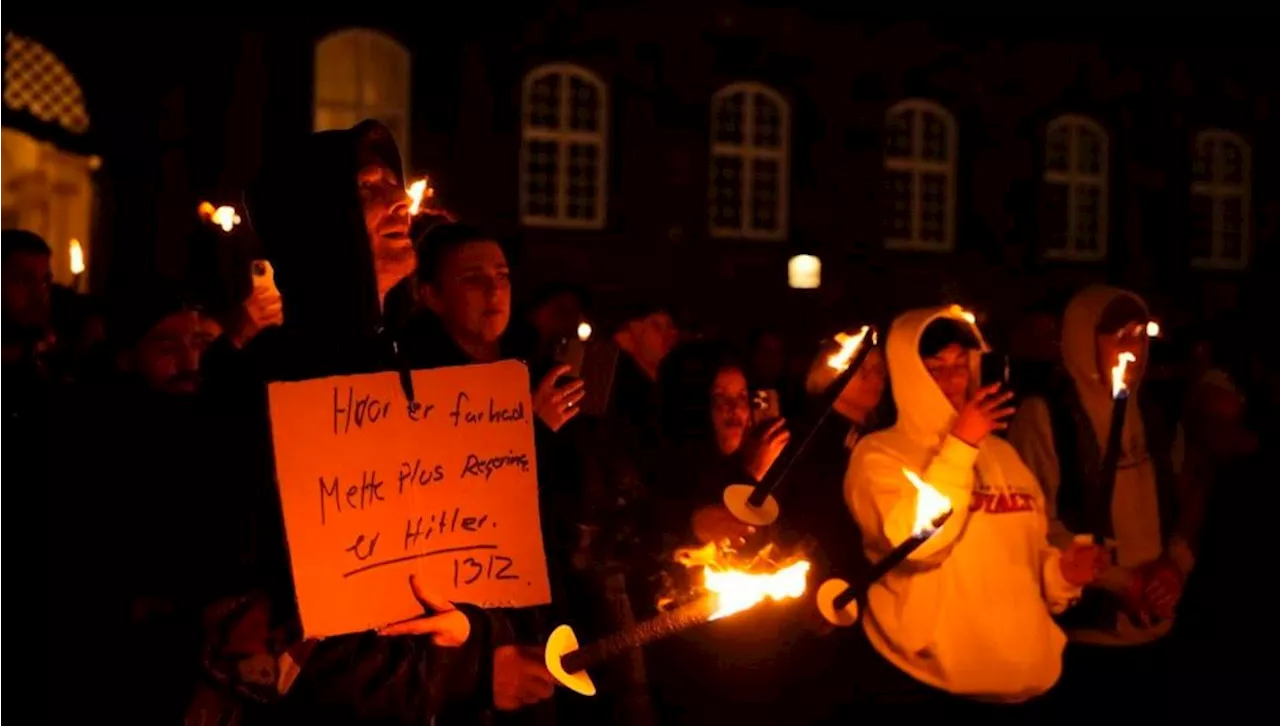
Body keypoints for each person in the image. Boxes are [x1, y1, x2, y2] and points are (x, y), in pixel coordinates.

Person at [233, 120, 556, 724]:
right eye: (367, 189)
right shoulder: (273, 387)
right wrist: (475, 670)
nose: (399, 199)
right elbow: (290, 629)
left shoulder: (407, 369)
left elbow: (437, 564)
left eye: (393, 182)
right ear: (316, 220)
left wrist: (478, 632)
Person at [845, 306, 1101, 717]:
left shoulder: (1003, 455)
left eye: (960, 365)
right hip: (932, 687)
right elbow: (919, 546)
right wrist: (960, 446)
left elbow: (1030, 563)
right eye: (934, 367)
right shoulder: (880, 455)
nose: (951, 380)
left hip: (1028, 686)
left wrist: (1063, 575)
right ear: (908, 374)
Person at [1008, 285, 1195, 718]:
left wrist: (1173, 567)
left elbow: (1183, 495)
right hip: (1084, 634)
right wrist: (1119, 581)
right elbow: (1035, 519)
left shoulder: (1157, 411)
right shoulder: (1048, 415)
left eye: (1139, 334)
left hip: (1157, 621)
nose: (1133, 349)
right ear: (1081, 338)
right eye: (1118, 335)